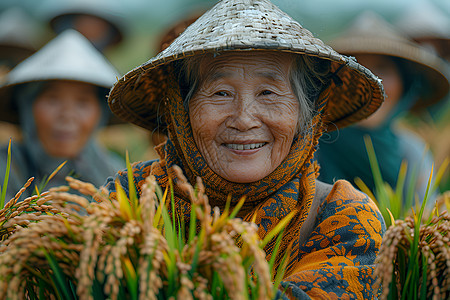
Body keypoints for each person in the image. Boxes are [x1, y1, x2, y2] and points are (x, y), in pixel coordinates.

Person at [105, 0, 385, 298]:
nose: (244, 118)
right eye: (221, 93)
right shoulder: (130, 198)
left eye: (268, 93)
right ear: (182, 111)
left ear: (305, 116)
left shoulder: (342, 216)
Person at [316, 12, 449, 201]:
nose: (370, 83)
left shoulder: (412, 153)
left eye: (382, 68)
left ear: (406, 84)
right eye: (356, 67)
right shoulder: (310, 148)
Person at [0, 30, 124, 200]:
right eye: (53, 99)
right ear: (27, 106)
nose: (67, 115)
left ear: (100, 112)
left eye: (82, 102)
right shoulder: (5, 169)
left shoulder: (117, 176)